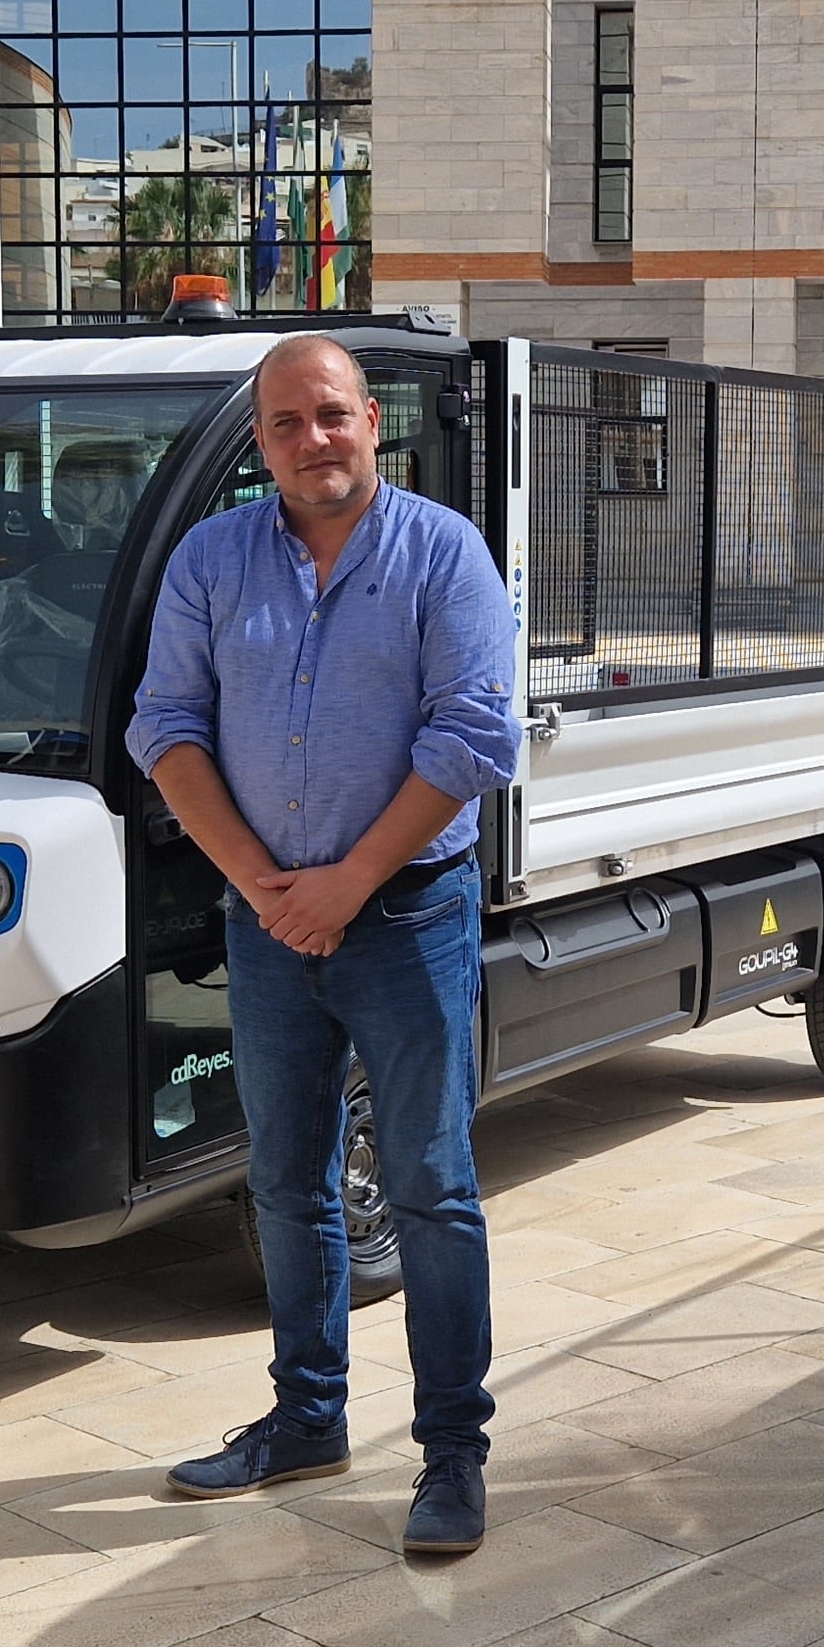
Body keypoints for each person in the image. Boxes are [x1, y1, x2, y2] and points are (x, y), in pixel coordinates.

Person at [128, 335, 517, 1554]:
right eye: (287, 423)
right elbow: (165, 724)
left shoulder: (441, 552)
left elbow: (472, 736)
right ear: (262, 443)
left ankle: (451, 1452)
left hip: (407, 916)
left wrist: (345, 882)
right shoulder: (212, 556)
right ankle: (307, 1419)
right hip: (266, 922)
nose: (313, 441)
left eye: (332, 416)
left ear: (371, 422)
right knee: (285, 1180)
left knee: (431, 1190)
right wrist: (264, 884)